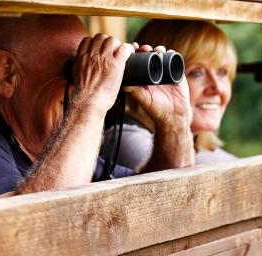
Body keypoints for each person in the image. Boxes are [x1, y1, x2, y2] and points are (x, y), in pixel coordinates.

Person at [0, 14, 194, 204]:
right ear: (7, 73)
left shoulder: (59, 144)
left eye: (91, 68)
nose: (85, 82)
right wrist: (91, 100)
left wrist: (174, 123)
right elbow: (33, 232)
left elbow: (157, 204)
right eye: (75, 67)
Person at [101, 19, 238, 172]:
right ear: (154, 74)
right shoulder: (126, 139)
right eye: (196, 73)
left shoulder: (201, 145)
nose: (217, 88)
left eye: (222, 73)